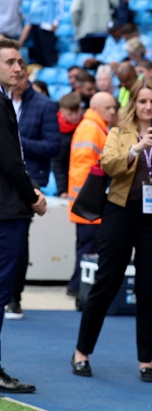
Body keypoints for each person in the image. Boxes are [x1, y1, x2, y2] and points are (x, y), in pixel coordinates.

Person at [72, 80, 152, 382]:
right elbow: (107, 164)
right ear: (134, 104)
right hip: (119, 213)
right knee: (107, 282)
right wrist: (136, 150)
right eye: (143, 101)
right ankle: (81, 352)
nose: (148, 107)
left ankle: (146, 361)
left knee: (149, 289)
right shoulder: (118, 133)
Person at [0, 38, 47, 393]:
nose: (18, 67)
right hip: (6, 211)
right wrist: (32, 195)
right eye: (10, 62)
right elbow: (9, 161)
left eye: (20, 61)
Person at [5, 64, 59, 320]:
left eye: (22, 71)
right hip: (5, 181)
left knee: (18, 240)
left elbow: (53, 146)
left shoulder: (45, 105)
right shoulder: (4, 100)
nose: (17, 74)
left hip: (30, 179)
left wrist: (15, 144)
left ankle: (14, 297)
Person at [66, 92, 118, 297]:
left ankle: (77, 286)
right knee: (88, 249)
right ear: (95, 108)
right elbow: (86, 170)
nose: (113, 111)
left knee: (87, 248)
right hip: (88, 204)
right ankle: (79, 287)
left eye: (114, 107)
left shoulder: (96, 128)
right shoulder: (91, 129)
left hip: (86, 203)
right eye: (108, 108)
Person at [53, 92, 84, 198]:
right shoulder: (55, 129)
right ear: (61, 111)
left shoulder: (86, 125)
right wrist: (62, 190)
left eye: (77, 112)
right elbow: (58, 164)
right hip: (68, 181)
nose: (75, 117)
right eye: (70, 114)